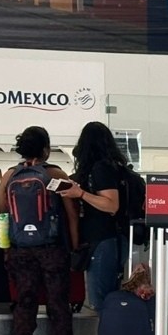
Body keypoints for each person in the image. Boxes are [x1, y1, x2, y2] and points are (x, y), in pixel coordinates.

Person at [0, 126, 80, 335]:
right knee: (58, 303)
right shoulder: (54, 175)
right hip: (52, 250)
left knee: (24, 302)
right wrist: (75, 247)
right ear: (46, 148)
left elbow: (3, 215)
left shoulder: (9, 177)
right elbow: (71, 215)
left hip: (20, 250)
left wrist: (6, 249)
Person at [59, 122, 126, 310]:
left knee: (101, 302)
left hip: (104, 241)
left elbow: (111, 205)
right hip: (110, 240)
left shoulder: (101, 168)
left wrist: (80, 194)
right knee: (108, 299)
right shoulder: (112, 167)